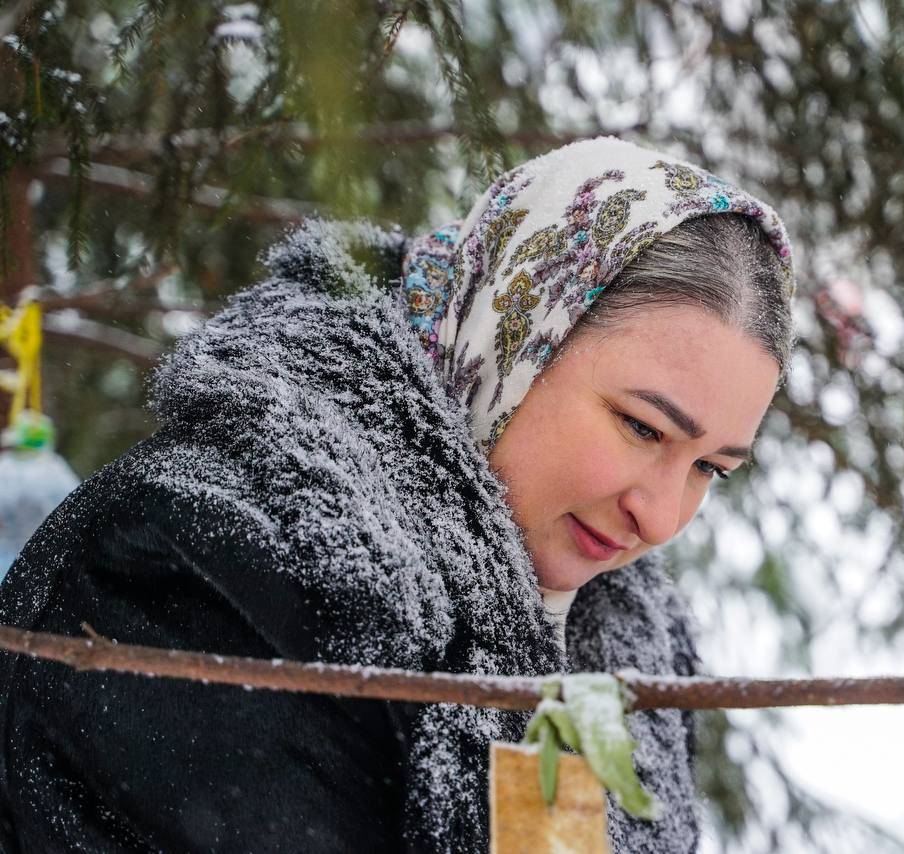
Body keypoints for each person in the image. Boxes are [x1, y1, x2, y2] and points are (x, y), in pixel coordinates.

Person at [0, 136, 795, 852]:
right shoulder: (205, 557)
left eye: (709, 469)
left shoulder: (626, 641)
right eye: (643, 429)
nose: (659, 516)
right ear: (512, 342)